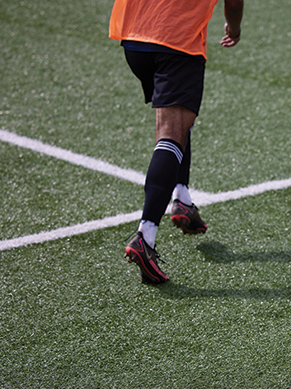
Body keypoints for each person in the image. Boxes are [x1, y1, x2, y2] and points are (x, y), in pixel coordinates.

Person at [110, 0, 244, 284]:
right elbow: (233, 3)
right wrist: (234, 28)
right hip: (177, 41)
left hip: (133, 37)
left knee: (179, 119)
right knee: (171, 133)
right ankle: (145, 238)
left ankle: (182, 198)